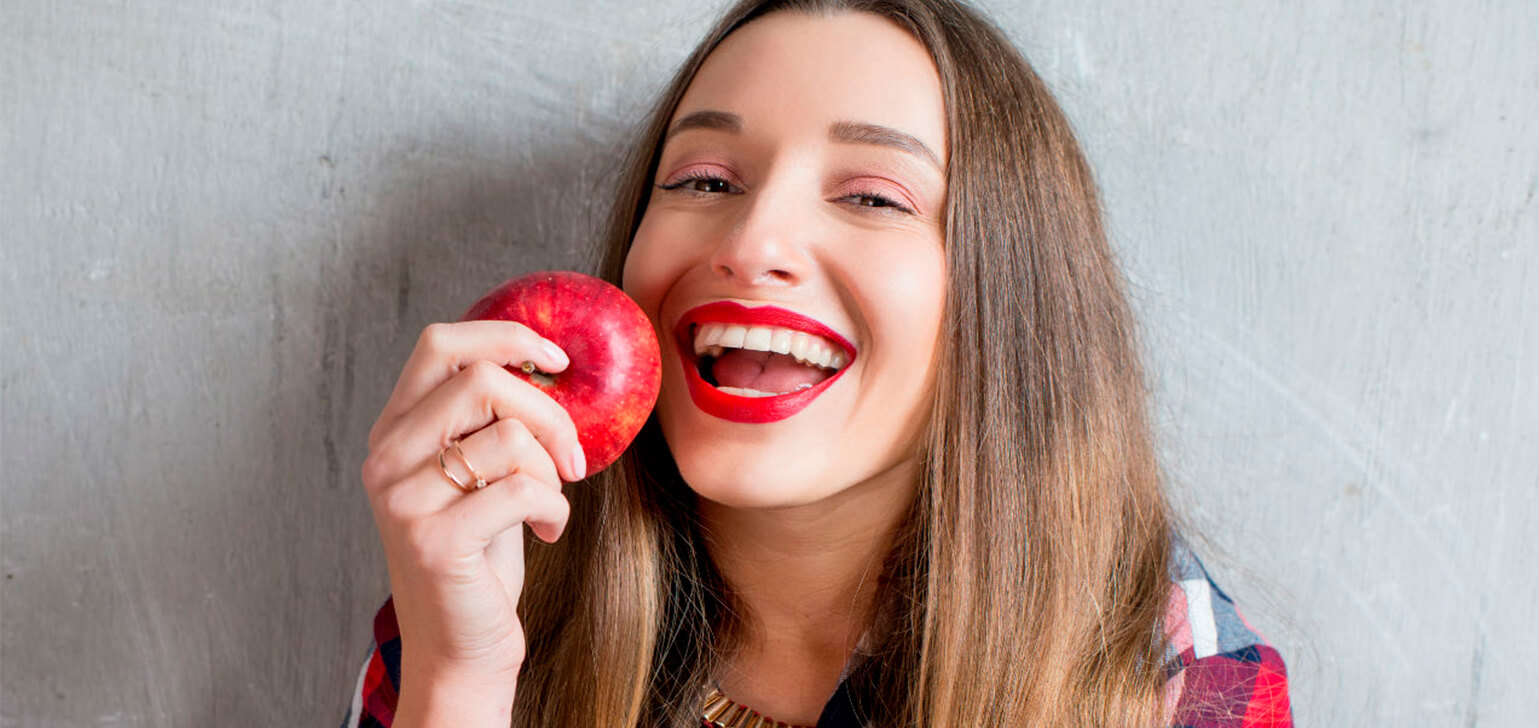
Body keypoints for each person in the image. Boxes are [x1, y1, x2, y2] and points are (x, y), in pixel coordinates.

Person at [343, 0, 1293, 726]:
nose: (754, 242)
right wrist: (458, 681)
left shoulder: (1169, 682)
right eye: (705, 181)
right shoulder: (480, 596)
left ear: (1010, 303)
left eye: (874, 197)